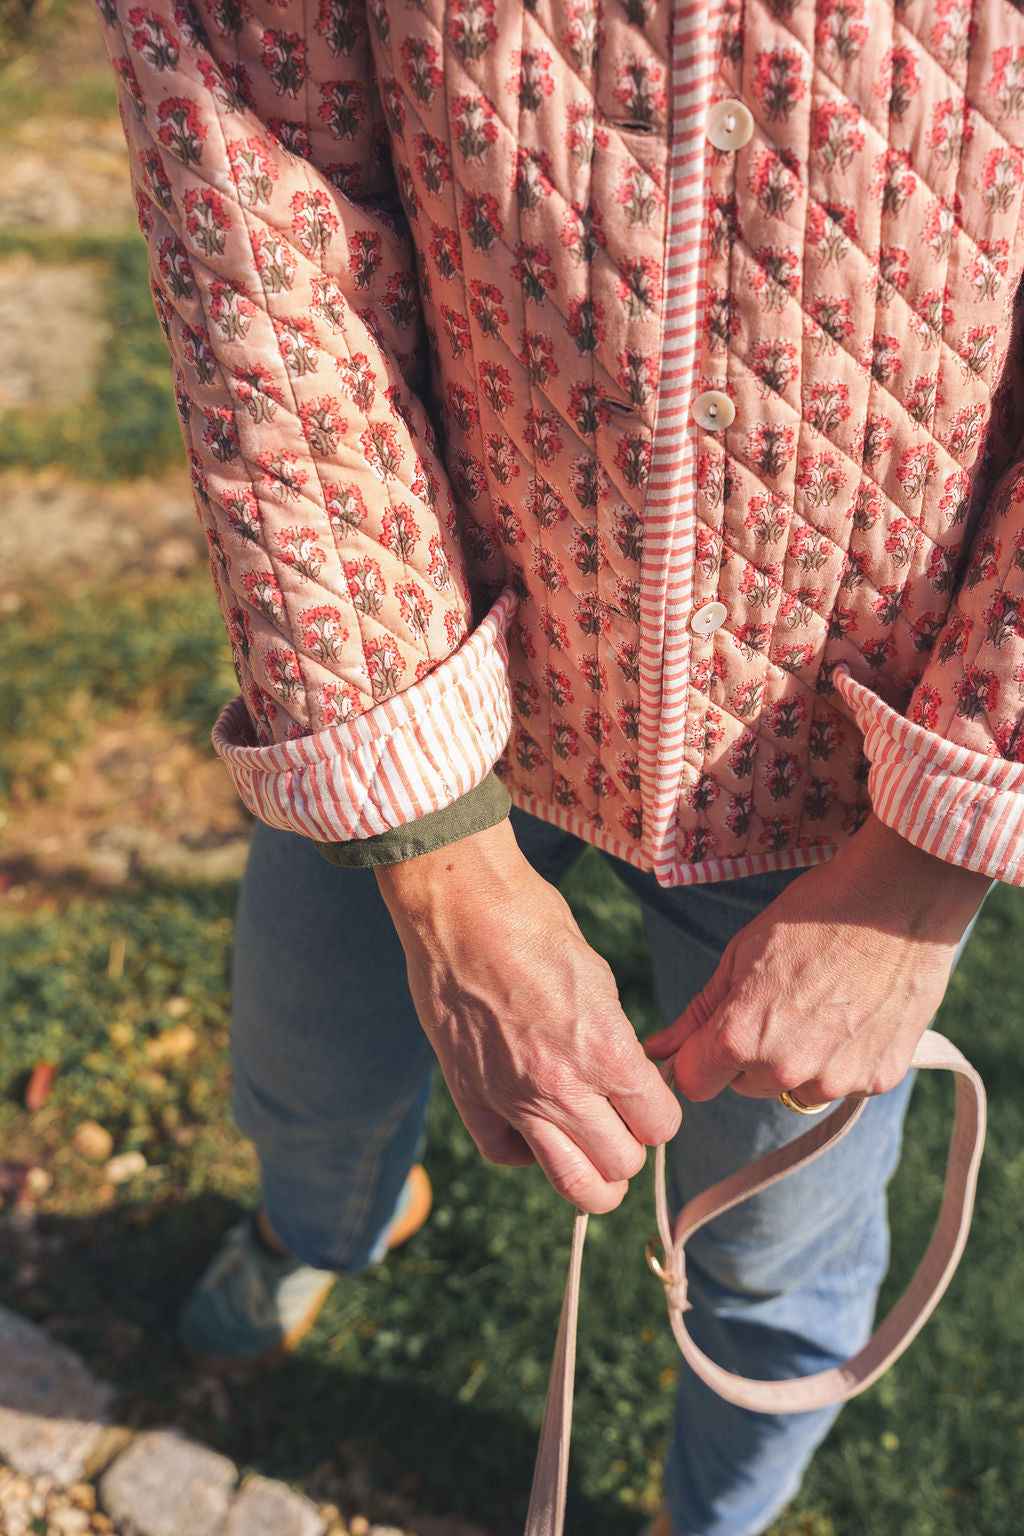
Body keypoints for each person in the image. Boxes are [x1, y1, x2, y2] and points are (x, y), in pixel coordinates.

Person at [95, 1, 1022, 1532]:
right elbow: (256, 247)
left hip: (844, 777)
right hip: (434, 651)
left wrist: (925, 865)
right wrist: (441, 868)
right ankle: (325, 1225)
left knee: (779, 1252)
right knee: (306, 1078)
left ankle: (717, 1515)